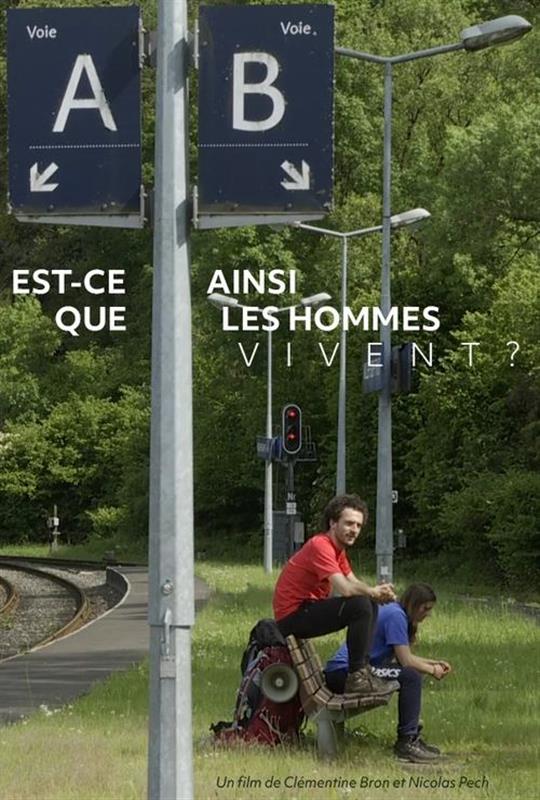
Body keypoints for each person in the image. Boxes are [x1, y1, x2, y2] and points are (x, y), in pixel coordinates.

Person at [273, 494, 398, 696]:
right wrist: (371, 592)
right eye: (349, 523)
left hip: (305, 610)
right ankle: (356, 677)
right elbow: (345, 589)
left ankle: (362, 672)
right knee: (360, 605)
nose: (354, 530)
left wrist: (377, 593)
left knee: (368, 602)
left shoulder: (338, 551)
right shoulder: (320, 545)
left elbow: (354, 582)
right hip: (292, 617)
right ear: (332, 523)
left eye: (358, 525)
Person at [324, 582, 452, 762]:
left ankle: (411, 736)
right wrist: (432, 670)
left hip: (347, 671)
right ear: (414, 604)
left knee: (410, 675)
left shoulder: (396, 611)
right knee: (411, 677)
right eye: (425, 608)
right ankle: (407, 742)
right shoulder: (396, 616)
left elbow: (404, 658)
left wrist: (433, 663)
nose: (427, 614)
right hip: (344, 672)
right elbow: (406, 661)